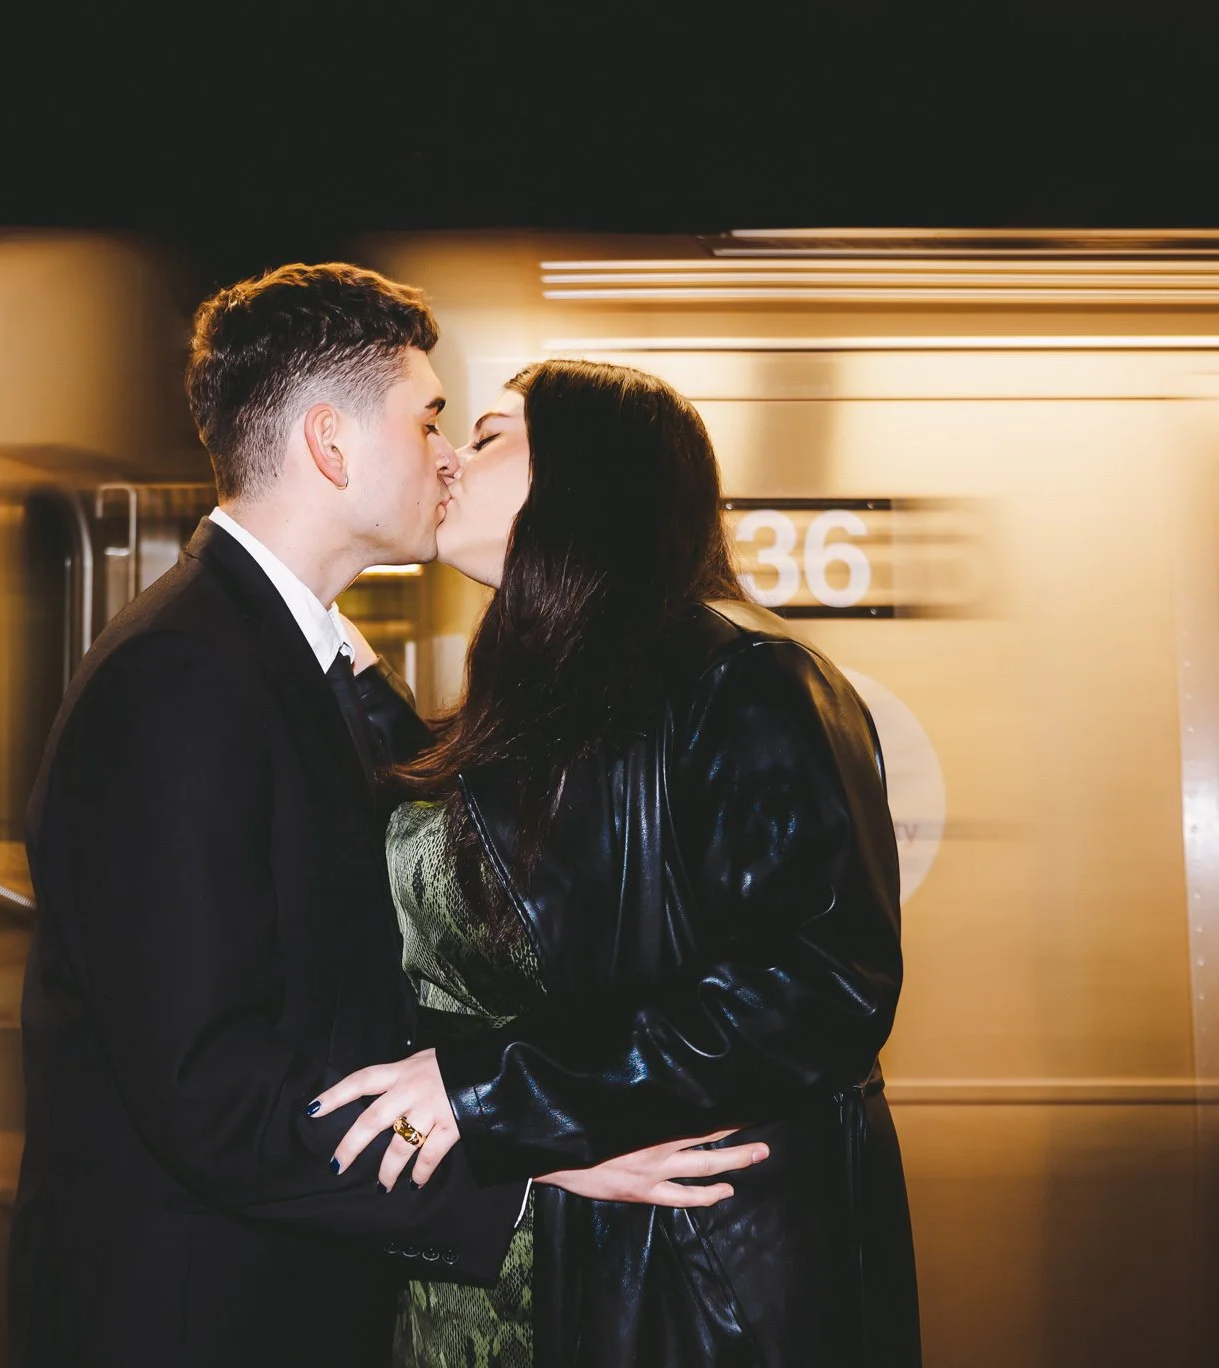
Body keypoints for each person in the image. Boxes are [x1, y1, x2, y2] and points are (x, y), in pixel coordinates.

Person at [9, 270, 765, 1368]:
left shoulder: (301, 661)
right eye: (427, 419)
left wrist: (524, 1108)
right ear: (330, 446)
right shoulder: (179, 676)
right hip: (194, 1316)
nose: (447, 454)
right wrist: (524, 1172)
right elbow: (208, 1090)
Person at [314, 360, 921, 1367]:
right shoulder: (543, 697)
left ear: (585, 476)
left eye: (489, 434)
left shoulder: (744, 678)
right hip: (530, 1271)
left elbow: (817, 986)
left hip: (684, 1288)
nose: (452, 461)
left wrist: (484, 1095)